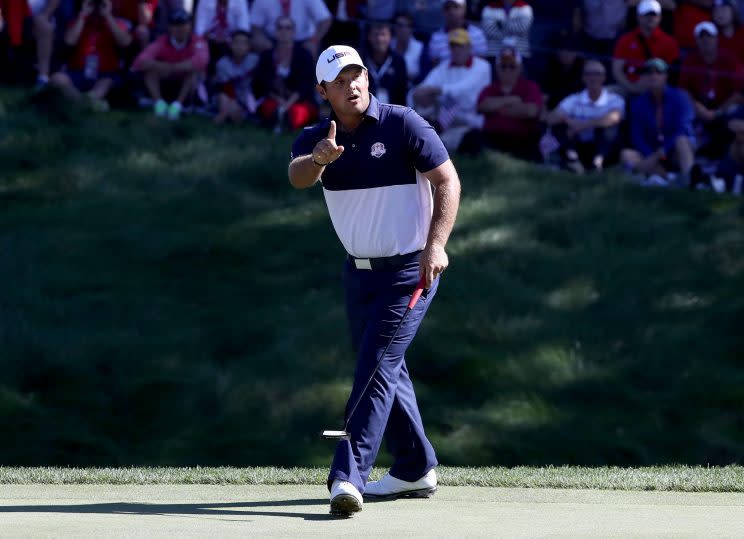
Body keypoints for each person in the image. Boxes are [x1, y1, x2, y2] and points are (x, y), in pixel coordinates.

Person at [288, 44, 461, 517]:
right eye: (340, 81)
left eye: (357, 75)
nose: (353, 86)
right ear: (323, 91)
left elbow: (447, 181)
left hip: (411, 270)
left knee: (374, 369)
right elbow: (297, 177)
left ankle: (347, 474)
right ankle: (414, 466)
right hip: (358, 273)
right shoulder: (314, 137)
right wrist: (321, 158)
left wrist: (436, 245)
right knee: (388, 365)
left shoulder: (403, 123)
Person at [410, 28, 491, 152]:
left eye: (460, 46)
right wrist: (420, 93)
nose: (456, 50)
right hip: (444, 115)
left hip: (469, 119)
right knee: (422, 101)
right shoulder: (444, 66)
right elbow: (423, 87)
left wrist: (435, 91)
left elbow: (462, 89)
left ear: (469, 47)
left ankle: (429, 136)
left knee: (444, 138)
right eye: (453, 46)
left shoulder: (483, 66)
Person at [621, 58, 696, 185]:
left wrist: (661, 153)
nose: (653, 76)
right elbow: (637, 135)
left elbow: (682, 129)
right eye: (649, 73)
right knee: (626, 155)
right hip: (651, 152)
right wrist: (651, 156)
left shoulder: (680, 97)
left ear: (666, 76)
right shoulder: (639, 102)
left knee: (682, 141)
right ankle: (666, 177)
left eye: (658, 72)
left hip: (673, 151)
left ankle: (688, 181)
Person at [50, 0, 132, 110]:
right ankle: (83, 102)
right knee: (57, 78)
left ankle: (88, 101)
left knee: (105, 82)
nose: (96, 9)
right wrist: (83, 15)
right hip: (79, 72)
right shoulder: (77, 22)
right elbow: (69, 41)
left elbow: (125, 42)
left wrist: (108, 16)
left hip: (106, 74)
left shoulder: (117, 23)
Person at [545, 60, 625, 173]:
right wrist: (569, 121)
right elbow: (551, 118)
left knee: (609, 129)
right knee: (560, 127)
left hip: (604, 148)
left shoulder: (614, 100)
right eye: (589, 74)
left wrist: (584, 125)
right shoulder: (574, 99)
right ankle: (571, 159)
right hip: (580, 145)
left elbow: (614, 117)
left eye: (597, 74)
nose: (593, 78)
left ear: (604, 77)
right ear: (583, 78)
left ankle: (598, 162)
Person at [131, 8, 209, 119]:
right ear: (170, 28)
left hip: (187, 85)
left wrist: (174, 67)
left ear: (190, 26)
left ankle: (177, 106)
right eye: (176, 25)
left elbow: (201, 61)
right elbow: (140, 61)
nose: (180, 29)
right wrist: (162, 66)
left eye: (183, 24)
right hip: (166, 79)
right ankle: (159, 104)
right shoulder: (162, 41)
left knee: (194, 72)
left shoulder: (198, 41)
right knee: (150, 71)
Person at [680, 21, 744, 156]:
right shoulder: (690, 60)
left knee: (735, 119)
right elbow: (683, 90)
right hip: (699, 109)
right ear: (696, 40)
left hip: (725, 108)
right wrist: (698, 108)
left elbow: (739, 93)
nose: (705, 41)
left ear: (716, 38)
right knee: (682, 109)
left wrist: (717, 112)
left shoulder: (729, 59)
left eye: (709, 37)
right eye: (701, 37)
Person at [476, 45, 544, 160]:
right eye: (503, 66)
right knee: (472, 137)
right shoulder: (490, 88)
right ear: (497, 68)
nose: (507, 70)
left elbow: (531, 111)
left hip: (522, 139)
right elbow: (482, 106)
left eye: (512, 66)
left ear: (520, 68)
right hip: (492, 137)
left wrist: (498, 109)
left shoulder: (530, 87)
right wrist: (511, 100)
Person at [252, 16, 318, 131]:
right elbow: (263, 83)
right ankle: (278, 118)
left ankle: (285, 120)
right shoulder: (267, 55)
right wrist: (279, 101)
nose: (284, 31)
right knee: (268, 107)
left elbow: (304, 85)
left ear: (293, 31)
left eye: (288, 28)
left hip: (297, 100)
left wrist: (287, 104)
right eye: (280, 28)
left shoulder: (304, 55)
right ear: (276, 31)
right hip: (275, 99)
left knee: (298, 112)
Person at [613, 0, 680, 95]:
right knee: (610, 93)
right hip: (628, 87)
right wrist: (631, 87)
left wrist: (655, 86)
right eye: (647, 15)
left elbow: (672, 72)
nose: (651, 18)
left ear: (660, 17)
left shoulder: (669, 42)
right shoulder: (625, 40)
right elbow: (617, 70)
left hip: (660, 90)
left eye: (654, 15)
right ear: (638, 17)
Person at [0, 0, 59, 86]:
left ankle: (43, 77)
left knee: (44, 26)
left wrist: (45, 14)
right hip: (6, 11)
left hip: (36, 17)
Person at [250, 0, 332, 57]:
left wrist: (314, 40)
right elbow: (255, 24)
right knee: (257, 42)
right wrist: (258, 36)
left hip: (302, 40)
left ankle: (308, 79)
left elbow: (325, 19)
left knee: (311, 48)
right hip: (272, 40)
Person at [212, 29, 259, 124]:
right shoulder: (222, 63)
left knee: (237, 109)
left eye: (243, 43)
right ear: (231, 45)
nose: (239, 46)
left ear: (249, 46)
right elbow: (226, 88)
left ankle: (224, 117)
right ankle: (225, 114)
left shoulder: (255, 60)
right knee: (223, 97)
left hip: (247, 98)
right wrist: (233, 103)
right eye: (236, 43)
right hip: (228, 96)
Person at [194, 0, 250, 71]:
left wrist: (229, 39)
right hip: (209, 39)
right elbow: (199, 29)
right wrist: (211, 37)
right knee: (200, 45)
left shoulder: (240, 2)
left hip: (232, 40)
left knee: (241, 44)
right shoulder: (204, 1)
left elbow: (243, 29)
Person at [427, 0, 487, 66]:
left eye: (455, 7)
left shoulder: (477, 34)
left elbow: (481, 64)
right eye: (447, 8)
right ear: (443, 12)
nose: (451, 11)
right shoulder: (436, 38)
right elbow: (436, 66)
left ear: (464, 9)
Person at [363, 21, 408, 105]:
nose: (379, 39)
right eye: (376, 35)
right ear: (369, 37)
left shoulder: (398, 61)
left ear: (390, 37)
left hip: (391, 111)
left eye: (383, 34)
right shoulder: (362, 60)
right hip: (364, 111)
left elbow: (402, 94)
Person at [391, 11, 430, 85]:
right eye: (400, 25)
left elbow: (425, 76)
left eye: (408, 26)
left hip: (413, 87)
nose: (404, 29)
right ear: (394, 28)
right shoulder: (388, 45)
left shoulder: (420, 48)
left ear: (412, 29)